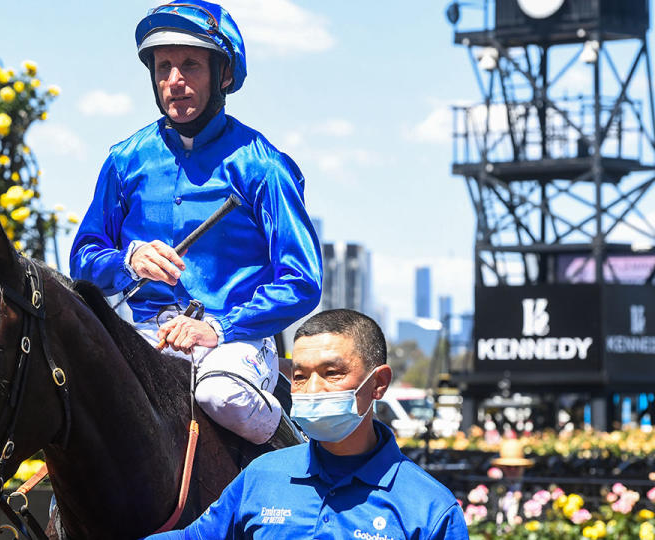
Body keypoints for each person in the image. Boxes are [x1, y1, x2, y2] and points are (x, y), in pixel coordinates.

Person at [70, 0, 322, 447]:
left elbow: (302, 280)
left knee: (220, 394)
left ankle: (297, 457)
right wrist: (129, 261)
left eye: (190, 65)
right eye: (163, 67)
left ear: (223, 75)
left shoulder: (265, 167)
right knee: (77, 399)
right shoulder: (124, 160)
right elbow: (83, 260)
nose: (174, 82)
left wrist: (219, 327)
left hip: (235, 341)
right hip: (146, 334)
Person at [144, 309, 469, 539]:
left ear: (378, 383)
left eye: (332, 373)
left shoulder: (428, 509)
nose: (312, 389)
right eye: (299, 376)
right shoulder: (261, 475)